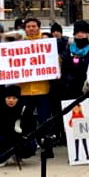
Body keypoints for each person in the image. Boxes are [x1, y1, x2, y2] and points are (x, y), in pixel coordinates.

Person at [20, 17, 60, 160]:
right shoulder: (19, 45)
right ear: (25, 28)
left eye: (33, 26)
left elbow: (56, 63)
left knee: (45, 121)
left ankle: (47, 147)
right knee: (26, 121)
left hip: (43, 89)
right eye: (28, 26)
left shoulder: (46, 45)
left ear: (38, 27)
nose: (31, 28)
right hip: (25, 90)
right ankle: (28, 147)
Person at [0, 85, 37, 167]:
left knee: (30, 144)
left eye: (14, 98)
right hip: (4, 137)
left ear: (18, 99)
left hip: (19, 137)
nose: (11, 100)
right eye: (8, 98)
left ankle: (18, 155)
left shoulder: (24, 109)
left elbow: (31, 126)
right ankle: (2, 156)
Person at [60, 20, 89, 99]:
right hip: (70, 86)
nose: (80, 34)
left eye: (83, 32)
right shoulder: (69, 47)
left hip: (87, 86)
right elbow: (64, 65)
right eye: (77, 32)